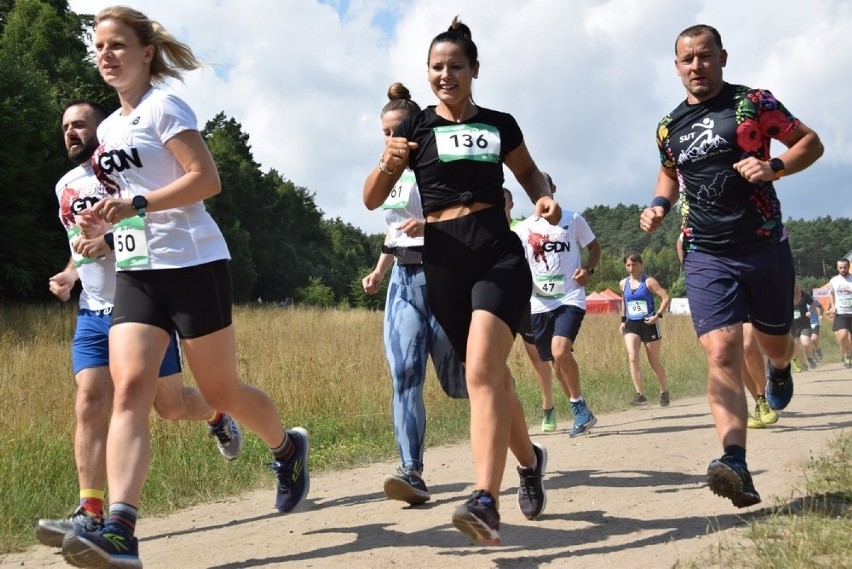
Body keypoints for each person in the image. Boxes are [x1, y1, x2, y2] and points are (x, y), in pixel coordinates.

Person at [60, 8, 309, 568]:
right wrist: (107, 228)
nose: (107, 55)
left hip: (195, 263)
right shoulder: (106, 131)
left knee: (221, 394)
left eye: (118, 45)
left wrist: (139, 204)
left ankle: (287, 447)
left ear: (146, 52)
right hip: (141, 272)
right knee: (131, 392)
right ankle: (121, 527)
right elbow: (127, 199)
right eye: (99, 47)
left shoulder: (165, 106)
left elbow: (206, 180)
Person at [363, 17, 558, 544]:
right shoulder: (414, 128)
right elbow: (372, 199)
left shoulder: (500, 123)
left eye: (455, 66)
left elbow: (530, 174)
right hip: (444, 261)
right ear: (427, 74)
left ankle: (485, 501)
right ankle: (529, 461)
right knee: (492, 378)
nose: (445, 75)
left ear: (474, 70)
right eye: (436, 67)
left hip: (498, 251)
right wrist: (387, 163)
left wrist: (542, 196)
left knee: (481, 374)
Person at [36, 100, 244, 549]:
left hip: (142, 306)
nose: (72, 132)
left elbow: (161, 224)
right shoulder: (65, 185)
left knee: (168, 406)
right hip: (94, 310)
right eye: (66, 127)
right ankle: (90, 511)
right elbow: (78, 240)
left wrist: (113, 239)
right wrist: (71, 274)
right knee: (90, 399)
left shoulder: (132, 175)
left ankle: (216, 413)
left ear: (104, 129)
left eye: (81, 125)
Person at [641, 24, 823, 508]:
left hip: (763, 244)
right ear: (675, 65)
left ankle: (780, 370)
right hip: (704, 251)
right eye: (686, 59)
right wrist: (659, 204)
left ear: (722, 57)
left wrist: (775, 167)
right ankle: (735, 461)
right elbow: (668, 171)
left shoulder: (754, 102)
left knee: (773, 343)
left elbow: (810, 142)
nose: (695, 66)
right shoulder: (668, 125)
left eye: (704, 56)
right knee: (721, 351)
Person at [361, 82, 467, 506]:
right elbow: (394, 229)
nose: (392, 139)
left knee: (464, 383)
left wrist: (433, 227)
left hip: (446, 277)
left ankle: (522, 453)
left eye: (399, 130)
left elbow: (476, 213)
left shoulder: (438, 162)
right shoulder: (386, 173)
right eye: (386, 132)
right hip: (403, 283)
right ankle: (412, 471)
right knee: (405, 376)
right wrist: (378, 269)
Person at [513, 173, 601, 437]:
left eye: (544, 187)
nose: (539, 194)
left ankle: (577, 405)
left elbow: (594, 247)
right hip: (539, 303)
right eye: (534, 189)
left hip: (570, 297)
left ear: (553, 189)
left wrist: (589, 269)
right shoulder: (523, 229)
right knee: (555, 362)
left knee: (561, 351)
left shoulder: (572, 219)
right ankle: (581, 410)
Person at [505, 188, 562, 433]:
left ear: (510, 203)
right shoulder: (485, 230)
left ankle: (549, 408)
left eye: (502, 199)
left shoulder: (523, 227)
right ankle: (504, 405)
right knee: (492, 359)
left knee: (540, 360)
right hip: (499, 304)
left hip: (527, 303)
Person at [619, 251, 671, 407]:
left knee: (654, 362)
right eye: (628, 265)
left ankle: (664, 391)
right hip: (632, 324)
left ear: (641, 264)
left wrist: (658, 315)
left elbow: (666, 297)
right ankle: (640, 394)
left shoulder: (649, 282)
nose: (631, 268)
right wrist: (623, 321)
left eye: (634, 264)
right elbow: (624, 301)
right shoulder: (623, 283)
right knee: (632, 356)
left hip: (649, 323)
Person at [827, 258, 852, 368]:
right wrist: (833, 306)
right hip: (841, 312)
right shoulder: (834, 281)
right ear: (837, 268)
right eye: (840, 267)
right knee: (842, 336)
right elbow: (831, 294)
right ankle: (846, 356)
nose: (843, 269)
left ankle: (850, 354)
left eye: (845, 267)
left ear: (848, 267)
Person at [790, 282, 818, 371]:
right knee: (795, 347)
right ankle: (804, 364)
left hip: (804, 324)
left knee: (805, 342)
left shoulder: (803, 294)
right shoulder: (782, 296)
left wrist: (810, 311)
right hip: (791, 326)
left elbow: (813, 304)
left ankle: (810, 357)